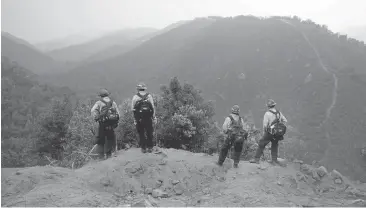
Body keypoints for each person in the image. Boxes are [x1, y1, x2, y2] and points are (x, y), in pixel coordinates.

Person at [250, 99, 287, 166]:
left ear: (268, 106)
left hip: (270, 132)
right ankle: (274, 161)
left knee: (262, 143)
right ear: (274, 105)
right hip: (277, 133)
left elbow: (265, 125)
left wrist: (265, 132)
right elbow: (285, 120)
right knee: (275, 145)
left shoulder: (267, 113)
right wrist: (278, 127)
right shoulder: (278, 112)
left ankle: (256, 159)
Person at [91, 89, 120, 159]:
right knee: (110, 138)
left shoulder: (99, 102)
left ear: (101, 96)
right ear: (107, 95)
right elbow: (118, 114)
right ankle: (109, 154)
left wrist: (96, 118)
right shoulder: (113, 102)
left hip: (103, 123)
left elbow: (92, 110)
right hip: (111, 124)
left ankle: (101, 155)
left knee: (101, 138)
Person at [131, 83, 157, 153]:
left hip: (139, 118)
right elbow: (152, 107)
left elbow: (133, 109)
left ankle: (143, 148)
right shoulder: (149, 96)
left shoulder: (135, 97)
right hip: (148, 118)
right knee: (149, 132)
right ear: (145, 89)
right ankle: (150, 147)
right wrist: (154, 117)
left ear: (138, 89)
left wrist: (135, 119)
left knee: (141, 133)